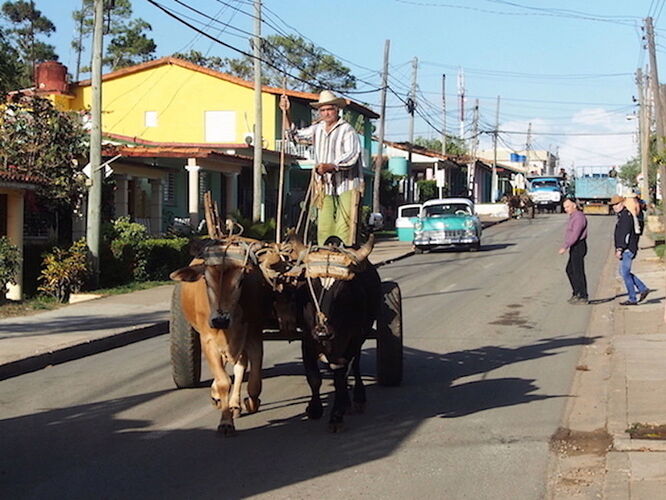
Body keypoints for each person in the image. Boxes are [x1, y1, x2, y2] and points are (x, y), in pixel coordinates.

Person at [280, 90, 363, 246]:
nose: (326, 113)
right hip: (324, 186)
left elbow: (351, 155)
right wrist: (286, 112)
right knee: (324, 225)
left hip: (347, 185)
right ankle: (323, 252)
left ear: (337, 110)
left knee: (344, 225)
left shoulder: (347, 130)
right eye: (323, 110)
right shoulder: (317, 128)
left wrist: (330, 166)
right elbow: (294, 135)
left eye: (329, 109)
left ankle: (345, 253)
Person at [611, 194, 651, 305]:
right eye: (613, 205)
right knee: (624, 272)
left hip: (628, 249)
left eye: (617, 204)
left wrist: (620, 248)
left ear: (622, 203)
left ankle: (633, 298)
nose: (615, 206)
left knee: (625, 273)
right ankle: (642, 289)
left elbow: (625, 234)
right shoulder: (622, 215)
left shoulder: (625, 216)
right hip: (627, 248)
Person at [559, 198, 589, 304]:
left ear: (574, 205)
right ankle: (576, 292)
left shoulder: (579, 217)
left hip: (579, 245)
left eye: (567, 207)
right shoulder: (573, 216)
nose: (566, 209)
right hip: (574, 246)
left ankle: (583, 295)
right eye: (565, 207)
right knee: (570, 270)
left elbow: (575, 233)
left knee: (578, 272)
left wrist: (565, 246)